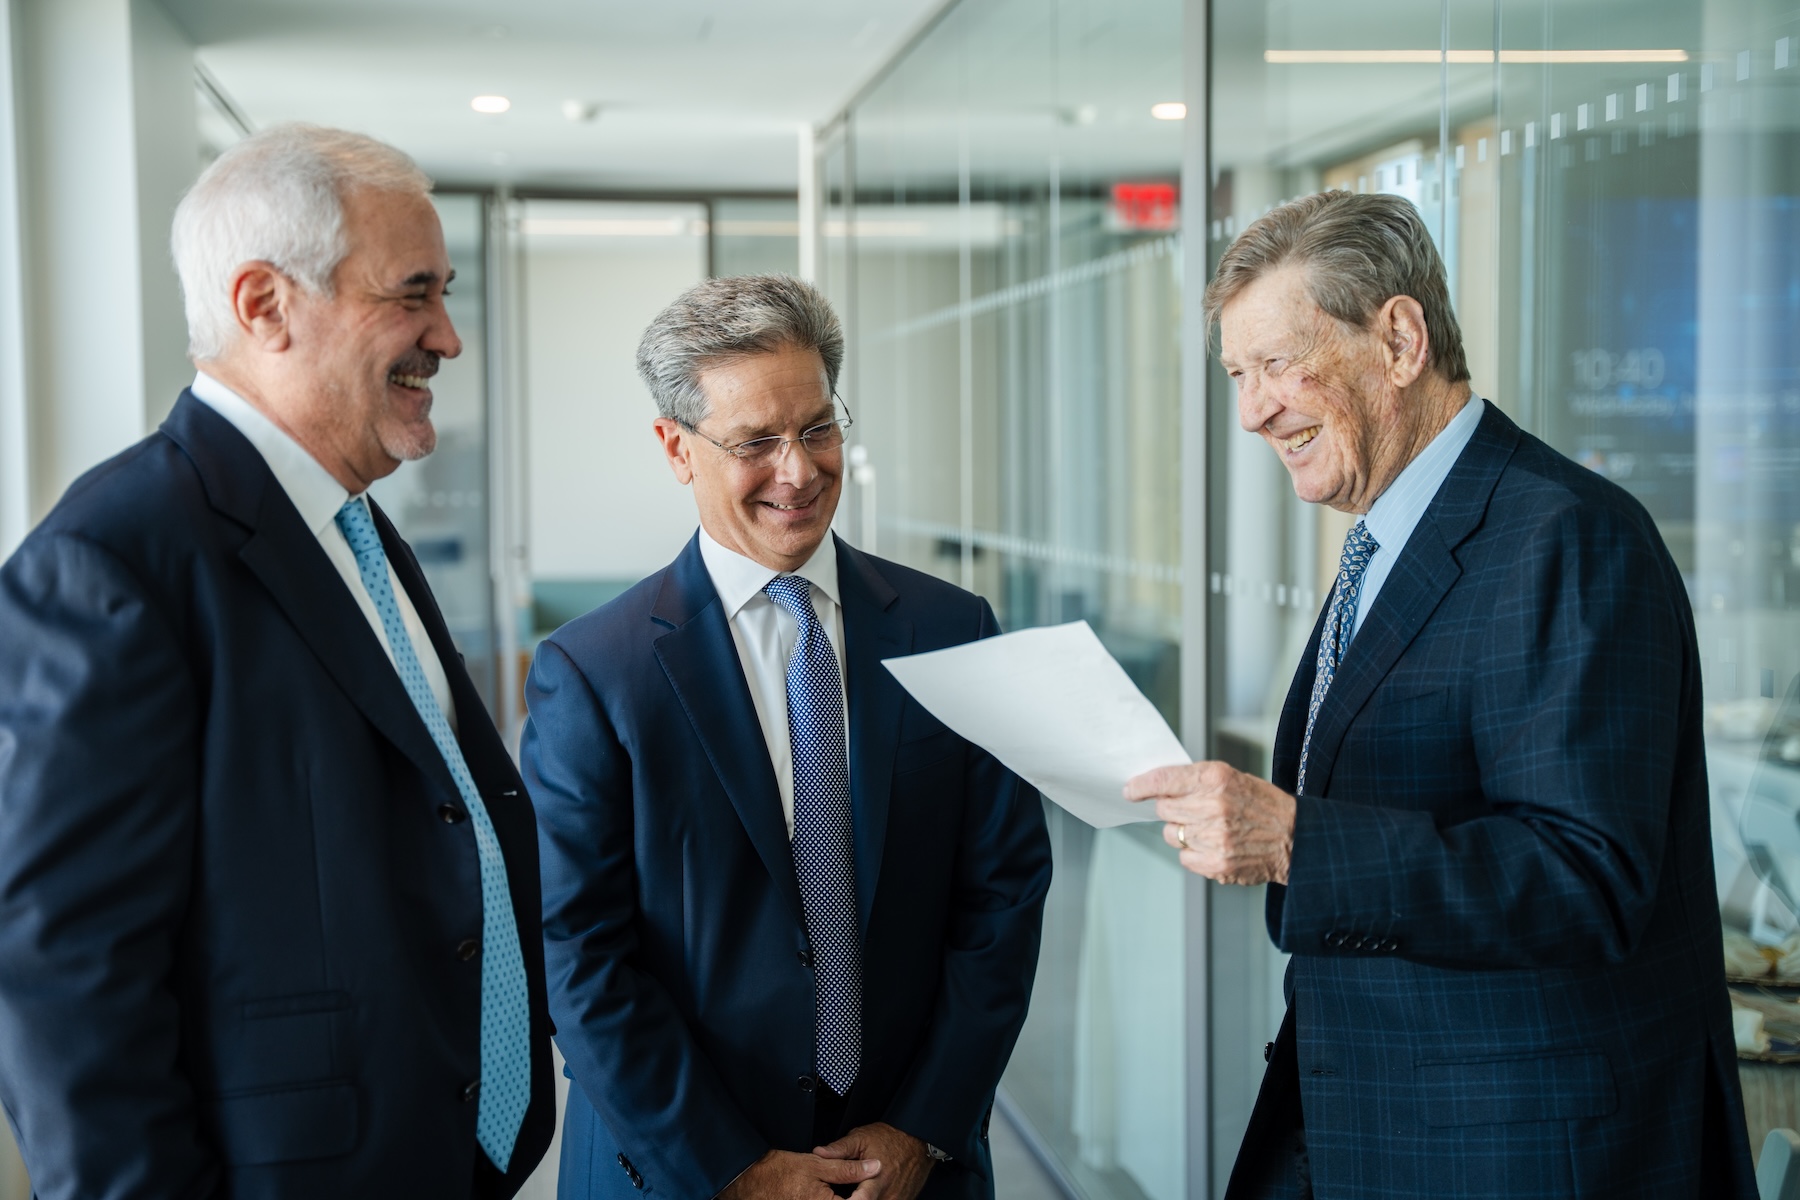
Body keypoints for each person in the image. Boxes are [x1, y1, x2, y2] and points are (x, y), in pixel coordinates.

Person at [1126, 191, 1756, 1198]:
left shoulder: (1567, 537)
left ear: (1402, 339)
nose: (1254, 409)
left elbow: (1587, 877)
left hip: (1525, 1156)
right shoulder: (1385, 536)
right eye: (1239, 376)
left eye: (1279, 365)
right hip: (1374, 1124)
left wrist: (1296, 840)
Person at [0, 124, 555, 1198]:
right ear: (265, 306)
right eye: (413, 293)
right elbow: (70, 981)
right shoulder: (112, 558)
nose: (447, 337)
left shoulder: (352, 526)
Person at [523, 274, 1052, 1200]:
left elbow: (1004, 893)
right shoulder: (593, 672)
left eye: (816, 428)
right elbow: (580, 956)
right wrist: (734, 1167)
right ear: (675, 449)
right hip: (678, 1170)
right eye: (755, 442)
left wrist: (923, 1127)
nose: (799, 471)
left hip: (912, 1166)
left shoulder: (953, 628)